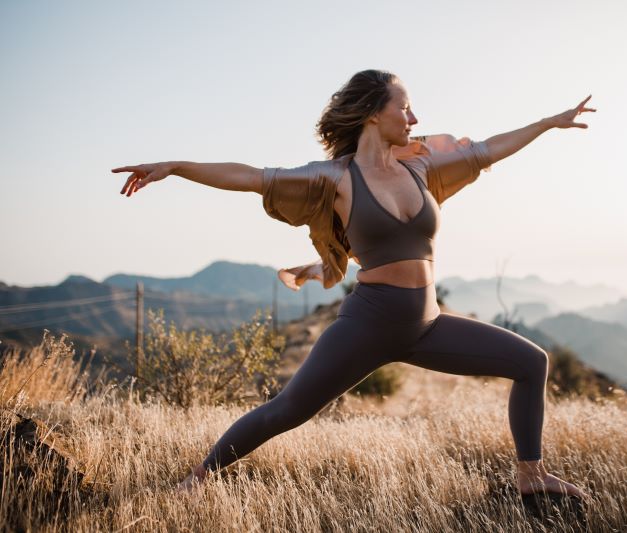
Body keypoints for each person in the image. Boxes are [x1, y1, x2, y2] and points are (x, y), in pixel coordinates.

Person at [112, 69, 595, 499]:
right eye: (403, 106)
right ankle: (198, 478)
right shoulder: (335, 178)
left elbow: (488, 149)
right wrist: (176, 167)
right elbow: (250, 176)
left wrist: (547, 123)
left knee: (532, 362)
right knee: (288, 410)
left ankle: (530, 474)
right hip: (369, 323)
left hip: (427, 324)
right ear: (371, 114)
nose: (413, 116)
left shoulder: (421, 168)